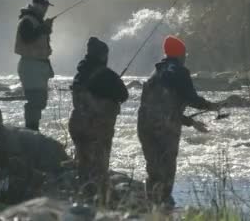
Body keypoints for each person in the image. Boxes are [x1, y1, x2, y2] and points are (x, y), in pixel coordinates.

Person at [137, 35, 216, 207]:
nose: (186, 57)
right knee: (166, 171)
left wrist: (191, 122)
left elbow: (161, 109)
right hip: (165, 129)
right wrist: (211, 106)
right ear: (180, 54)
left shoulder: (154, 74)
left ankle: (152, 207)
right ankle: (164, 207)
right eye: (185, 54)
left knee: (153, 169)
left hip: (144, 126)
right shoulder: (179, 72)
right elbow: (192, 99)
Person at [69, 37, 128, 201]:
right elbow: (124, 95)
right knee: (99, 168)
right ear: (103, 55)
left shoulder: (79, 74)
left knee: (83, 165)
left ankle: (81, 200)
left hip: (77, 125)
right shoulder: (107, 75)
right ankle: (97, 202)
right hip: (97, 128)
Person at [14, 0, 55, 131]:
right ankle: (31, 130)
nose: (45, 9)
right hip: (30, 66)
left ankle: (33, 129)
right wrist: (42, 29)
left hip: (38, 66)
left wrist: (44, 28)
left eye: (46, 6)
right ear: (35, 5)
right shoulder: (27, 20)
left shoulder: (37, 21)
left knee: (40, 100)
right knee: (35, 100)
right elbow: (27, 38)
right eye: (43, 6)